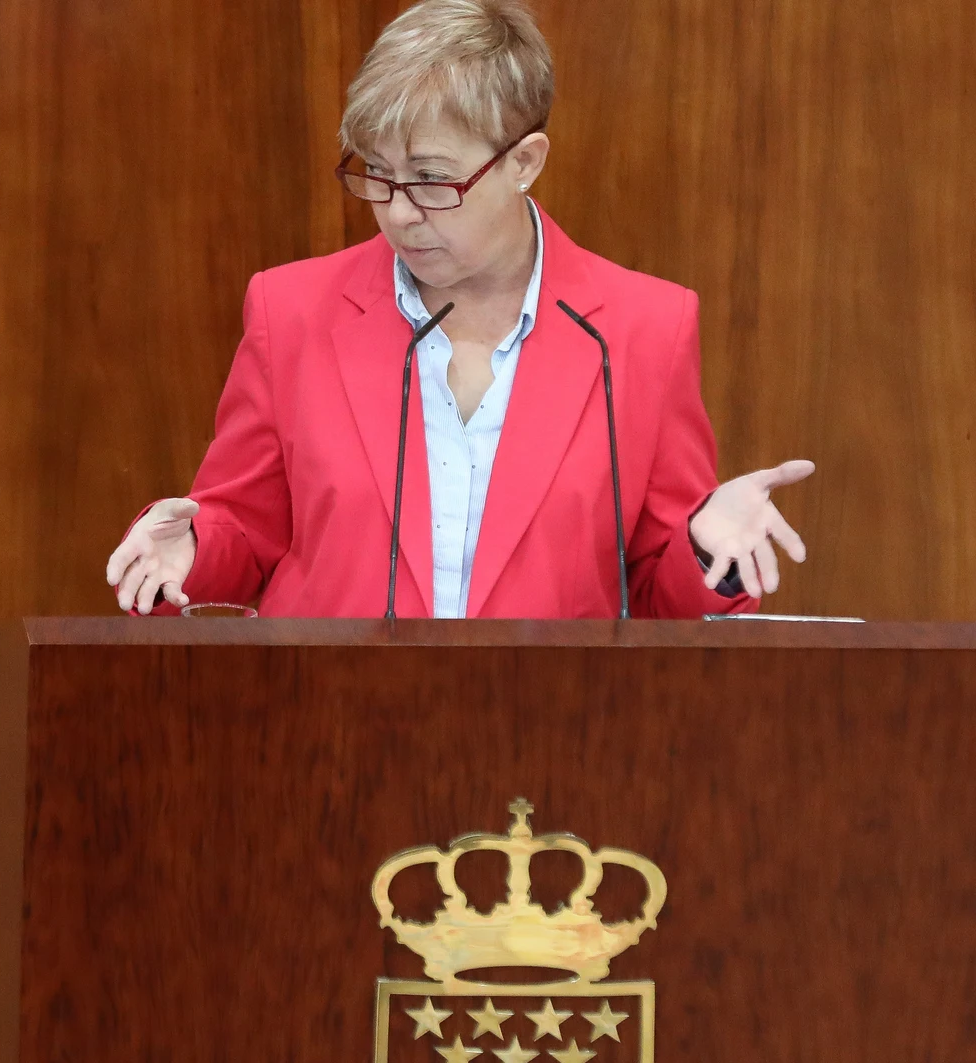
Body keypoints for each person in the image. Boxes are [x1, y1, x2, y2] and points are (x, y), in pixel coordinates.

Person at [106, 0, 813, 619]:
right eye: (376, 173)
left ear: (524, 162)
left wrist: (701, 550)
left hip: (548, 744)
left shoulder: (640, 331)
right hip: (329, 735)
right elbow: (245, 534)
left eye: (433, 179)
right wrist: (192, 550)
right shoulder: (289, 311)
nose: (400, 212)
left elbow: (655, 599)